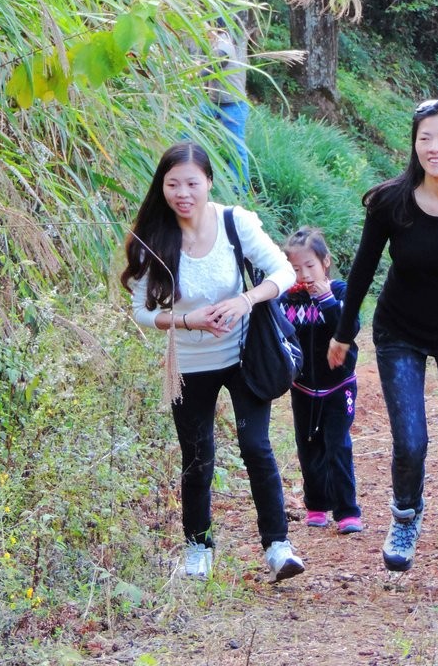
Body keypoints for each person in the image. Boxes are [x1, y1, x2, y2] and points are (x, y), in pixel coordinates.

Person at [327, 97, 438, 588]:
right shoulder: (393, 201)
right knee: (411, 441)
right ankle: (405, 519)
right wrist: (344, 334)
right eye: (425, 137)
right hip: (400, 331)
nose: (434, 147)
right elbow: (363, 268)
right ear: (414, 144)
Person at [121, 142, 304, 582]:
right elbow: (142, 312)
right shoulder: (154, 235)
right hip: (189, 362)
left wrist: (245, 299)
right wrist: (187, 319)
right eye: (173, 184)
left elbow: (284, 272)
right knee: (197, 455)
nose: (182, 193)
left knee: (256, 446)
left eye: (191, 183)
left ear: (208, 183)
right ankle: (198, 546)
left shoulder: (234, 223)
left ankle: (278, 546)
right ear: (161, 186)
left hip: (244, 356)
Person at [279, 228, 362, 535]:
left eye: (310, 266)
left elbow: (348, 327)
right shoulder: (287, 299)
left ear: (325, 262)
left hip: (340, 386)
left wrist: (325, 298)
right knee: (308, 445)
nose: (304, 274)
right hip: (302, 387)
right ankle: (316, 504)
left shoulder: (340, 292)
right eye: (296, 268)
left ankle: (347, 510)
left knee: (337, 443)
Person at [202, 20, 250, 191]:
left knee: (236, 148)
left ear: (214, 27)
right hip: (213, 102)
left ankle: (240, 190)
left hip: (233, 104)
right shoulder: (212, 44)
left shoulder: (224, 44)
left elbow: (212, 67)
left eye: (205, 25)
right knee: (188, 126)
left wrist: (191, 75)